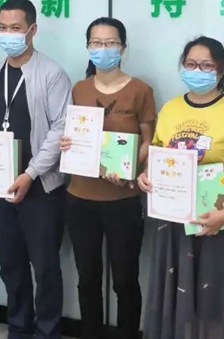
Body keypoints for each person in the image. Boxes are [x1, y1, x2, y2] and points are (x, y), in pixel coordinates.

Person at [139, 36, 224, 339]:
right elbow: (158, 155)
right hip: (174, 222)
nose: (198, 70)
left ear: (220, 70)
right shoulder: (171, 109)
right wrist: (146, 175)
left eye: (206, 65)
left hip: (217, 222)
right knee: (175, 302)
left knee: (215, 303)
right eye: (191, 64)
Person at [0, 0, 72, 339]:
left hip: (40, 186)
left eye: (15, 28)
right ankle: (18, 326)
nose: (8, 34)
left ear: (32, 30)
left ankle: (48, 331)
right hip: (2, 184)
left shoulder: (52, 74)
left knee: (44, 266)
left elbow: (60, 130)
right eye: (3, 27)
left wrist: (29, 174)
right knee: (10, 263)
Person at [59, 18, 155, 339]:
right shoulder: (78, 88)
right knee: (87, 278)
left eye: (111, 43)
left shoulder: (141, 90)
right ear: (88, 47)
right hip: (80, 197)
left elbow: (150, 141)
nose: (103, 49)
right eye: (96, 43)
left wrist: (129, 169)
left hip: (122, 200)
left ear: (123, 48)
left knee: (125, 279)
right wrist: (66, 144)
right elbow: (73, 134)